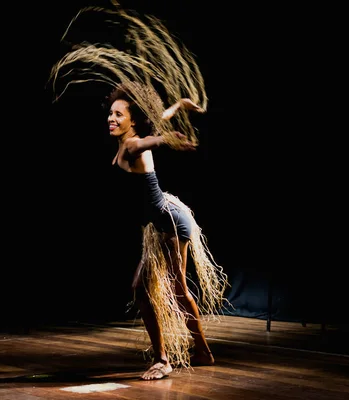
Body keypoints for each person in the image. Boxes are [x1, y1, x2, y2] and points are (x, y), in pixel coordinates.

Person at [104, 81, 228, 380]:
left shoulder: (135, 144)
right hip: (158, 225)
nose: (112, 118)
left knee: (175, 290)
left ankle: (171, 358)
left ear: (132, 120)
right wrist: (179, 106)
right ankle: (194, 353)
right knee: (142, 291)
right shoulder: (130, 138)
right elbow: (156, 122)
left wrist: (166, 140)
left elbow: (152, 140)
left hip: (171, 223)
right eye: (111, 113)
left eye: (119, 115)